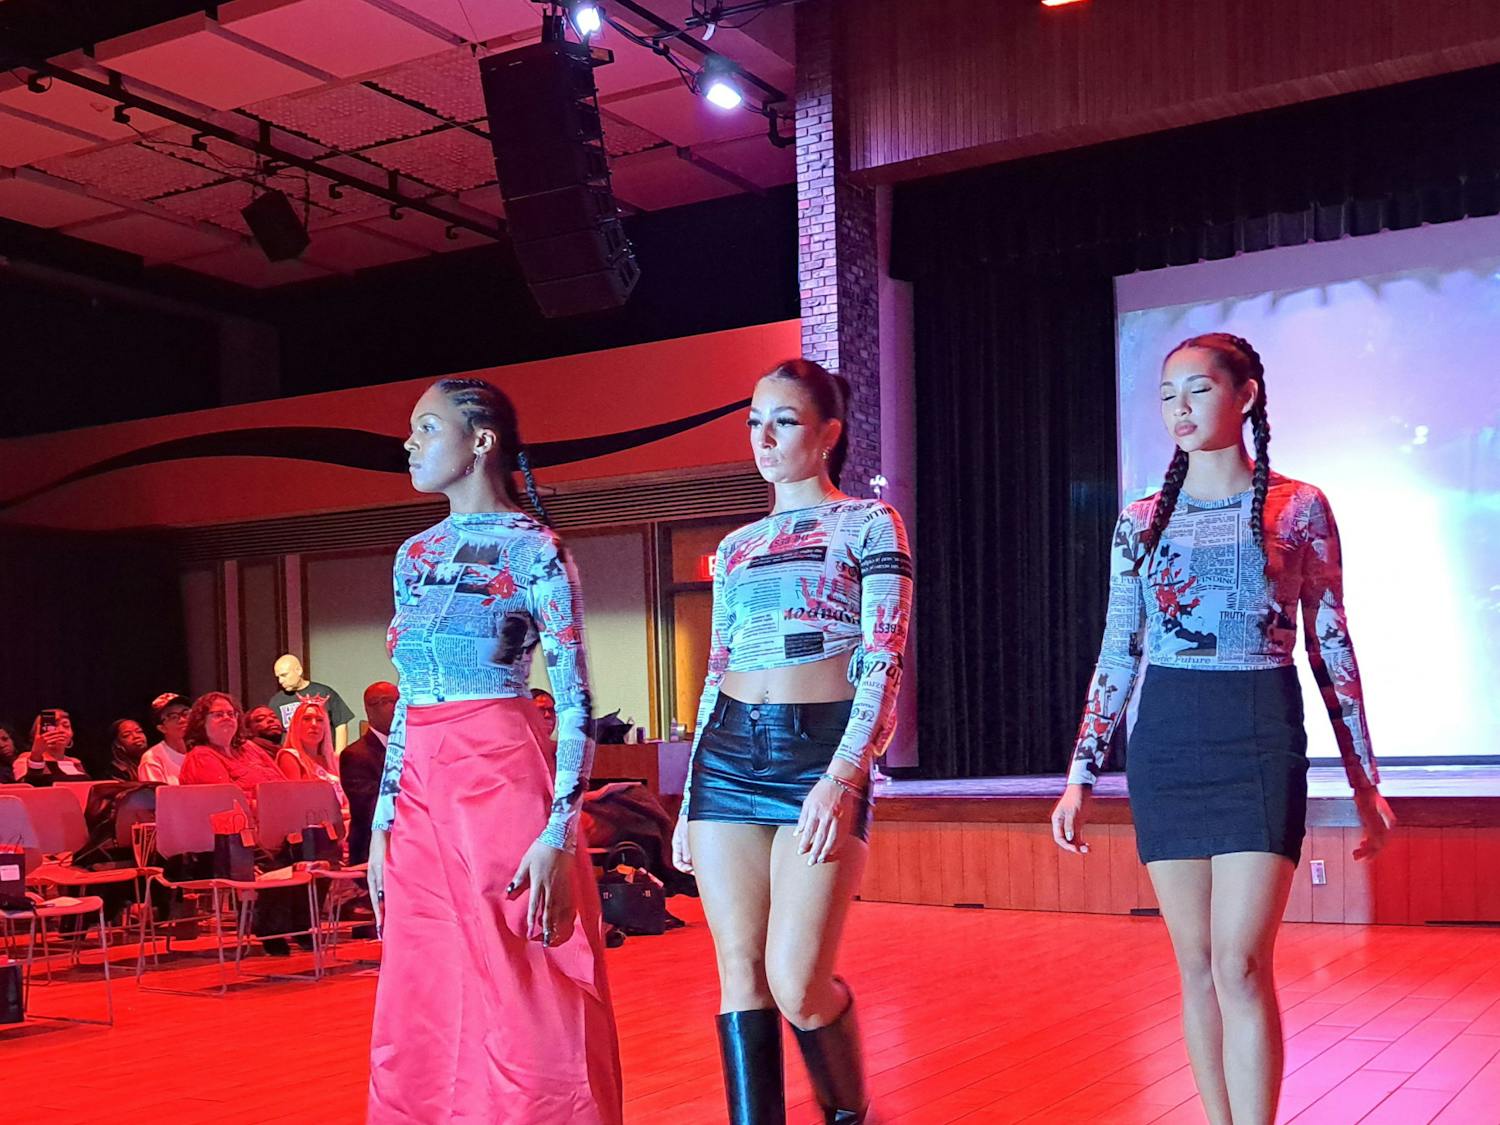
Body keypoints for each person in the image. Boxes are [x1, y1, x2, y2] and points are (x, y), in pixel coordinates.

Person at [1050, 333, 1397, 1125]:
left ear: (1245, 396)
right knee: (1199, 963)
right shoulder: (1139, 520)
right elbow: (1118, 648)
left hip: (1259, 732)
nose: (1179, 408)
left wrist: (1364, 777)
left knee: (1241, 962)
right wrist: (1080, 773)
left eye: (1198, 389)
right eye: (1166, 394)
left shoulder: (1299, 507)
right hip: (1168, 741)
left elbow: (1331, 642)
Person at [365, 377, 622, 1124]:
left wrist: (559, 831)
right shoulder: (413, 555)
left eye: (426, 427)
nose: (409, 442)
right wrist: (382, 822)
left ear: (481, 441)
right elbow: (409, 699)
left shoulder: (537, 550)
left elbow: (574, 703)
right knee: (425, 988)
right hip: (421, 792)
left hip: (499, 775)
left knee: (523, 982)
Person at [673, 359, 913, 1125]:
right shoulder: (737, 545)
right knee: (739, 973)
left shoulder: (869, 522)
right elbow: (717, 667)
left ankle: (849, 1112)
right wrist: (689, 794)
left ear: (828, 433)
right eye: (755, 421)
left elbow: (883, 657)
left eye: (783, 421)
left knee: (797, 982)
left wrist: (844, 774)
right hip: (727, 756)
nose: (764, 437)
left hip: (821, 752)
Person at [178, 691, 310, 956]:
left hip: (272, 825)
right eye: (218, 714)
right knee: (277, 856)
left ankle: (300, 925)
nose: (227, 718)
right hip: (227, 839)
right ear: (202, 721)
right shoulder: (201, 756)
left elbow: (283, 787)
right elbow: (226, 804)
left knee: (314, 844)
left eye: (231, 713)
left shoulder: (250, 748)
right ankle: (273, 930)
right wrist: (264, 807)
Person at [340, 682, 397, 866]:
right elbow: (371, 808)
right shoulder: (355, 755)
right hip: (374, 853)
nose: (398, 708)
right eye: (389, 701)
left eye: (400, 700)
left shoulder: (413, 749)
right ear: (369, 709)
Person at [275, 699, 349, 819]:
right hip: (312, 824)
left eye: (320, 720)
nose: (314, 724)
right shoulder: (289, 757)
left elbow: (347, 801)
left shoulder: (334, 760)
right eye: (306, 719)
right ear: (296, 725)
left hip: (343, 820)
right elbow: (296, 804)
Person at [269, 655, 354, 756]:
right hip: (294, 759)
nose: (280, 681)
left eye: (284, 675)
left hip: (324, 758)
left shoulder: (324, 692)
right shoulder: (276, 701)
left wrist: (339, 755)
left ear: (298, 670)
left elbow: (340, 724)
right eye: (278, 677)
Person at [15, 709, 90, 784]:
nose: (61, 730)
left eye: (66, 726)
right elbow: (28, 787)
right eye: (54, 726)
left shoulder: (75, 762)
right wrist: (36, 756)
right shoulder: (26, 759)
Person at [139, 693, 191, 785]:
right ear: (162, 728)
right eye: (173, 717)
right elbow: (155, 793)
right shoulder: (153, 758)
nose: (183, 720)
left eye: (186, 713)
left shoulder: (204, 750)